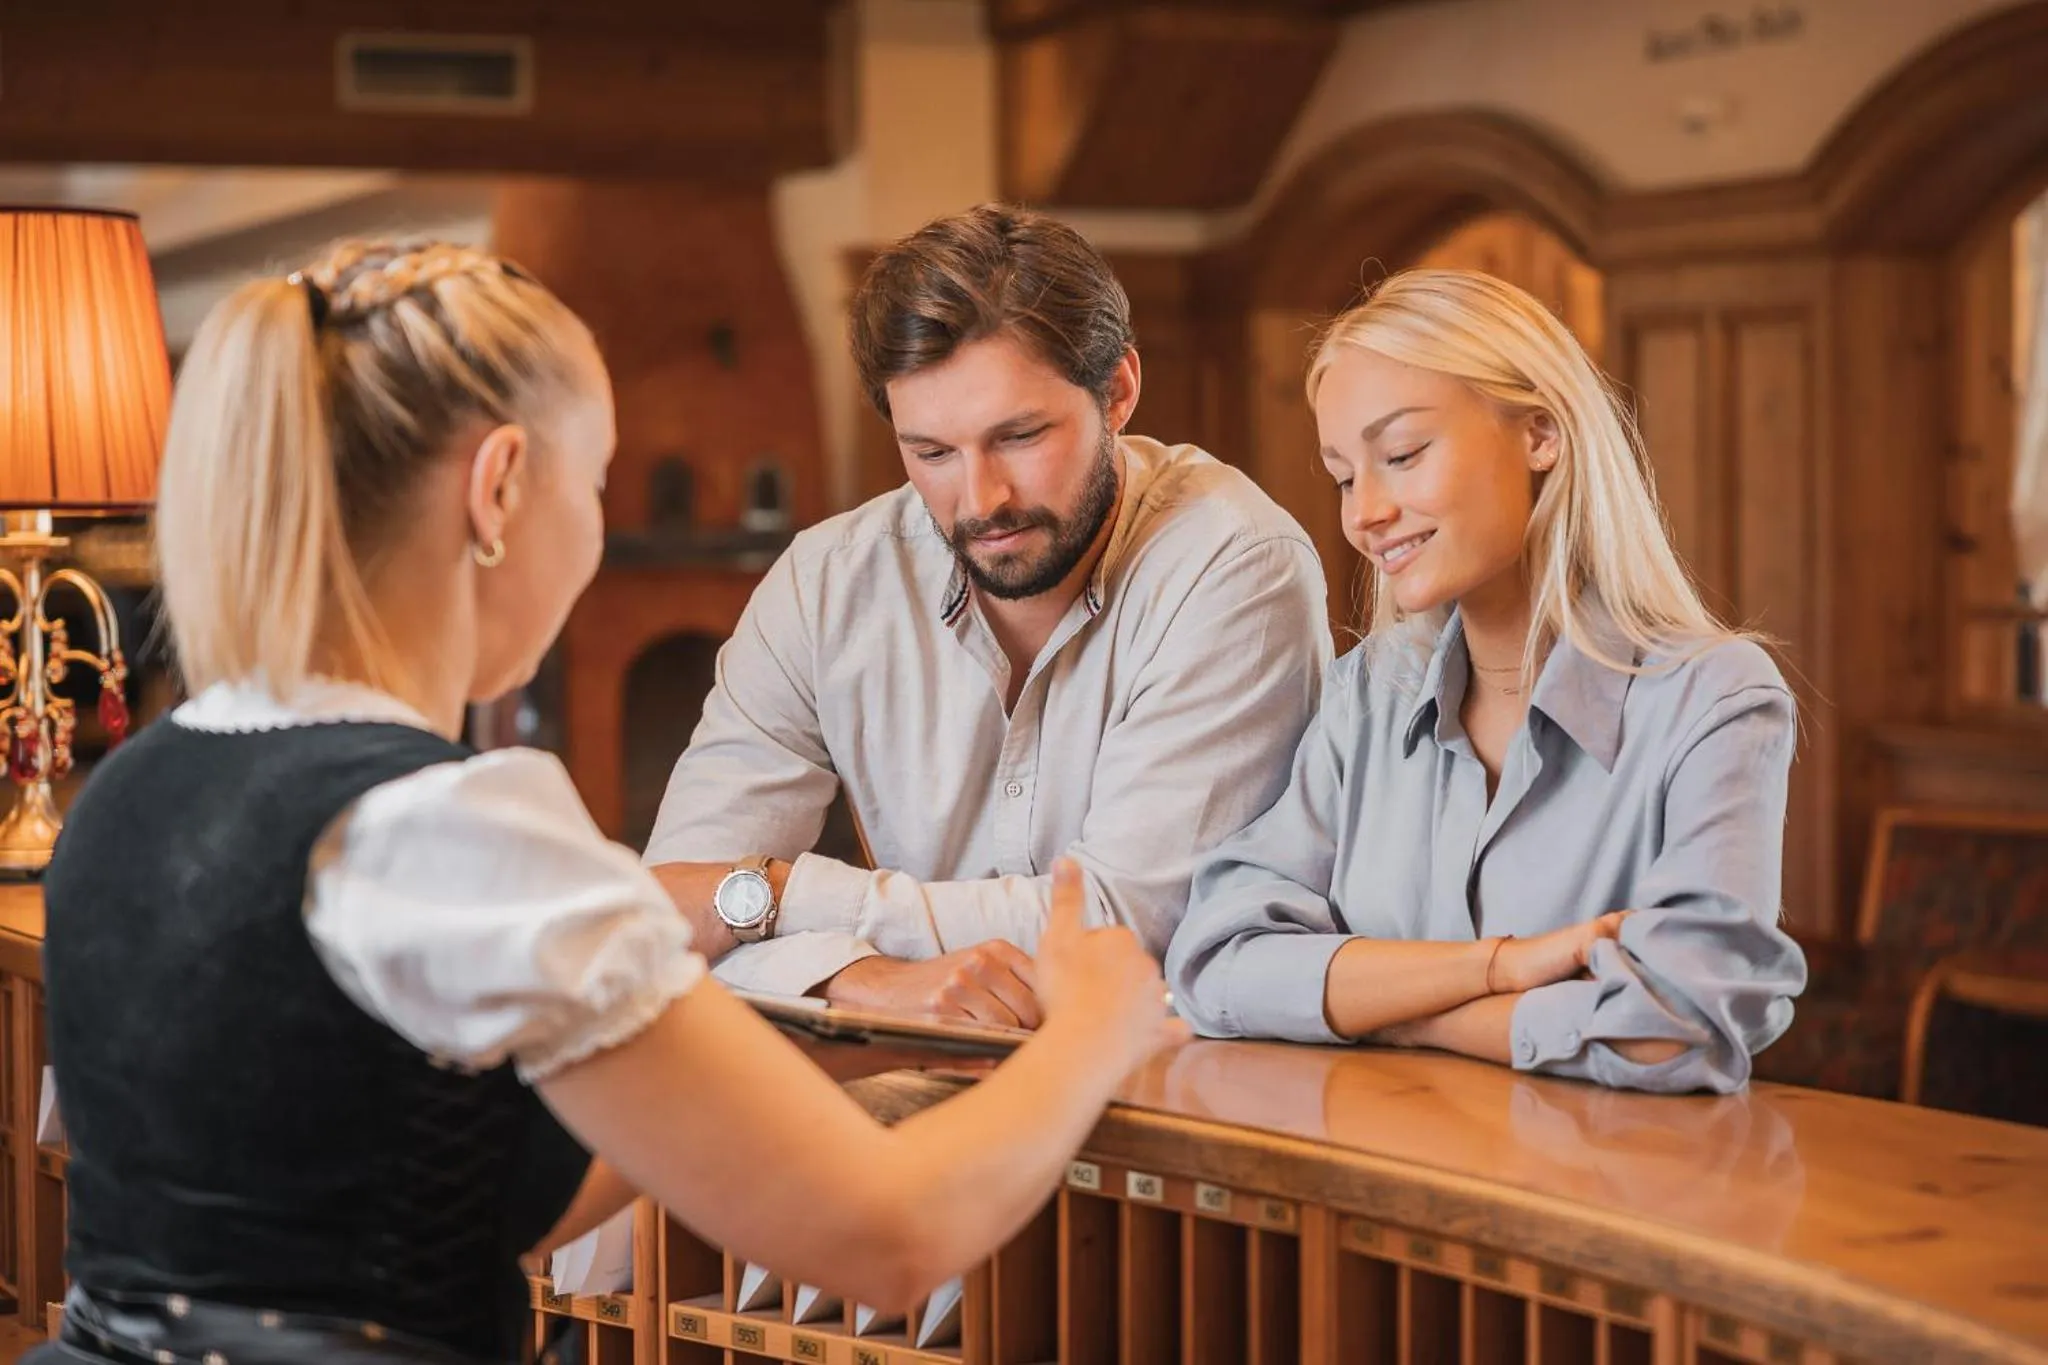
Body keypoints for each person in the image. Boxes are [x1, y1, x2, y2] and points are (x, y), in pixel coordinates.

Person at [34, 239, 1179, 1365]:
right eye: (591, 482)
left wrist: (838, 1046)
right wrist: (1088, 1031)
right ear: (499, 490)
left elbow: (435, 1185)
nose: (591, 532)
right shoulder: (448, 824)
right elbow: (889, 1241)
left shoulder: (140, 786)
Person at [642, 204, 1331, 1018]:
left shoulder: (1233, 566)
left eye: (1020, 437)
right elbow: (669, 913)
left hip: (1171, 1086)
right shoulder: (824, 584)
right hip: (927, 1072)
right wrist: (862, 980)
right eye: (931, 452)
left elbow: (1120, 932)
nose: (980, 500)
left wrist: (782, 895)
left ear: (1118, 392)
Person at [1164, 268, 1806, 1094]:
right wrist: (1501, 970)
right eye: (1344, 476)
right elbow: (1216, 963)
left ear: (1541, 434)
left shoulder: (1714, 700)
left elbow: (1676, 1027)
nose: (1364, 512)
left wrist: (1391, 1010)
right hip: (1370, 1196)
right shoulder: (1370, 693)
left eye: (1401, 455)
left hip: (1602, 1207)